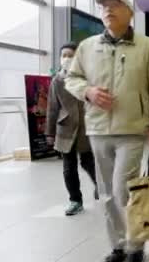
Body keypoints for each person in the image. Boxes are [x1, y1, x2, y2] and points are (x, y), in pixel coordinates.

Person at [65, 0, 149, 262]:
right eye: (104, 7)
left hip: (133, 129)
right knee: (108, 193)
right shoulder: (87, 47)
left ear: (129, 12)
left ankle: (136, 244)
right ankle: (119, 245)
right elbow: (71, 78)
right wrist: (88, 92)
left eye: (114, 5)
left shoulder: (147, 47)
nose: (107, 10)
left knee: (124, 188)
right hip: (98, 130)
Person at [46, 42, 98, 216]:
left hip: (86, 127)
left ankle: (102, 188)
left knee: (89, 163)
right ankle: (75, 200)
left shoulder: (89, 78)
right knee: (69, 167)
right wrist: (50, 133)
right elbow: (52, 108)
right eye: (64, 55)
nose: (66, 59)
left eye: (70, 55)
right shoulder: (57, 81)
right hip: (65, 128)